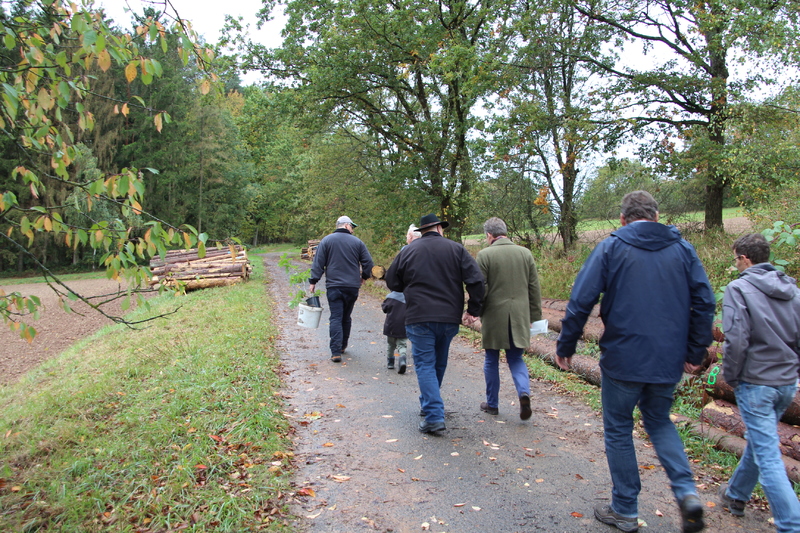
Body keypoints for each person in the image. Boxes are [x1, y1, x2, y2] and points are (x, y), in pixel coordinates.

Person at [555, 191, 715, 533]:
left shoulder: (612, 247)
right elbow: (705, 301)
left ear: (624, 218)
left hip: (623, 357)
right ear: (656, 216)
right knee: (659, 422)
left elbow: (582, 299)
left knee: (618, 427)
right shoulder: (683, 249)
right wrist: (695, 351)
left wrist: (566, 344)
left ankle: (625, 508)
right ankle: (686, 493)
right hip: (667, 359)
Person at [717, 233, 800, 532]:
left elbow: (736, 338)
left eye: (736, 257)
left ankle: (791, 524)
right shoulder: (792, 289)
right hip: (786, 382)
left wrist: (734, 376)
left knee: (767, 456)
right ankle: (736, 495)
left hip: (757, 382)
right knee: (760, 442)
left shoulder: (738, 289)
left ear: (745, 258)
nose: (735, 263)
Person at [385, 213, 484, 434]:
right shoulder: (456, 249)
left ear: (422, 231)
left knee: (425, 365)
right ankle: (429, 405)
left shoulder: (409, 250)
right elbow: (476, 280)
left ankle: (433, 416)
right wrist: (473, 310)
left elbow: (392, 281)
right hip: (449, 317)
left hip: (419, 316)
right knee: (438, 363)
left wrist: (408, 285)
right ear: (439, 228)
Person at [473, 217, 541, 420]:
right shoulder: (525, 253)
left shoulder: (484, 255)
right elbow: (533, 288)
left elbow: (480, 288)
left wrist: (475, 311)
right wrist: (535, 316)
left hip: (494, 316)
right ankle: (523, 392)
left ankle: (492, 404)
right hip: (519, 316)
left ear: (489, 235)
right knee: (516, 358)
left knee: (491, 358)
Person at [309, 215, 374, 363]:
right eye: (352, 227)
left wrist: (313, 281)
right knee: (346, 316)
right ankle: (343, 345)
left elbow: (318, 263)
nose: (353, 230)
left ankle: (336, 352)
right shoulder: (358, 243)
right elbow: (369, 263)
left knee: (336, 317)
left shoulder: (326, 241)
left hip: (334, 286)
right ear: (345, 225)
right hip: (352, 286)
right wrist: (363, 276)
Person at [380, 225, 422, 373]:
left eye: (406, 236)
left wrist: (394, 288)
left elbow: (394, 272)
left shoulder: (406, 251)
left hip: (406, 294)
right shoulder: (427, 250)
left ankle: (392, 361)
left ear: (410, 237)